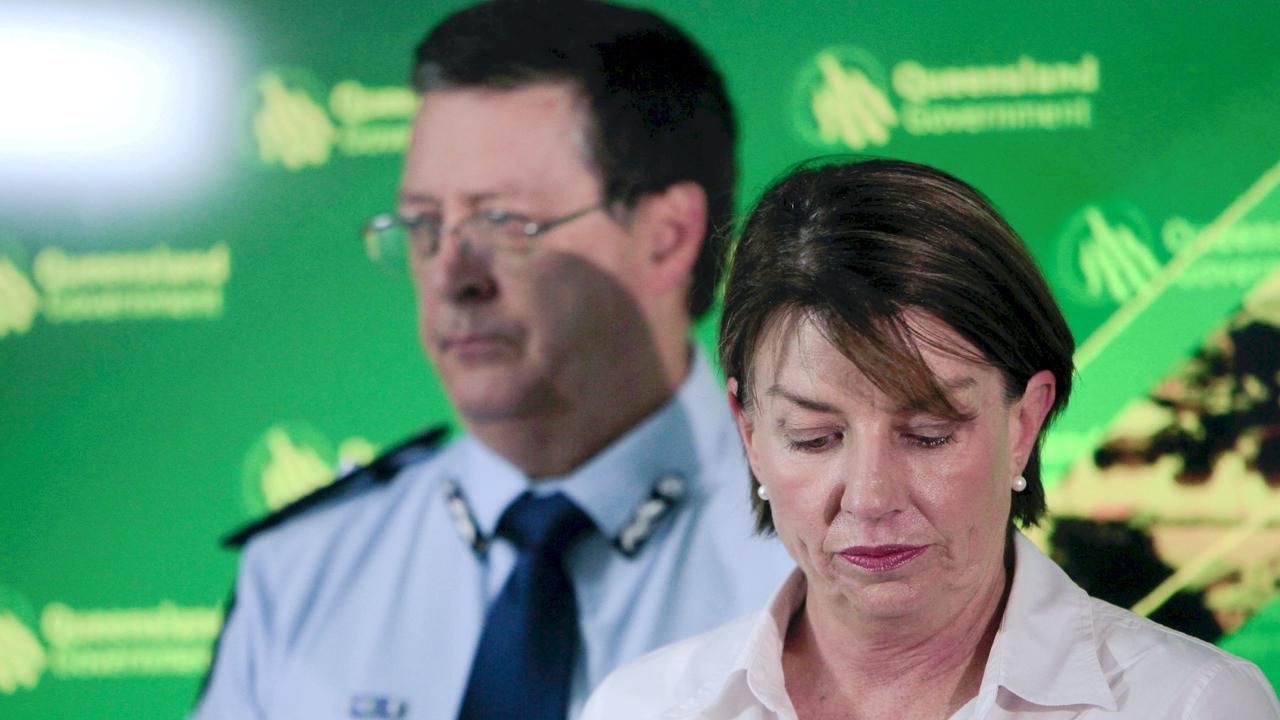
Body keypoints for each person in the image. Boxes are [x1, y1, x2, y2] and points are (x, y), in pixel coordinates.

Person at [192, 2, 794, 718]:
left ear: (666, 237)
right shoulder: (303, 575)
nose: (452, 273)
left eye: (502, 221)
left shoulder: (831, 547)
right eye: (423, 225)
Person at [583, 159, 1280, 719]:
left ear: (1025, 423)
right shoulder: (645, 707)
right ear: (750, 433)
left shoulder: (1189, 706)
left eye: (928, 434)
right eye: (816, 437)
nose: (871, 496)